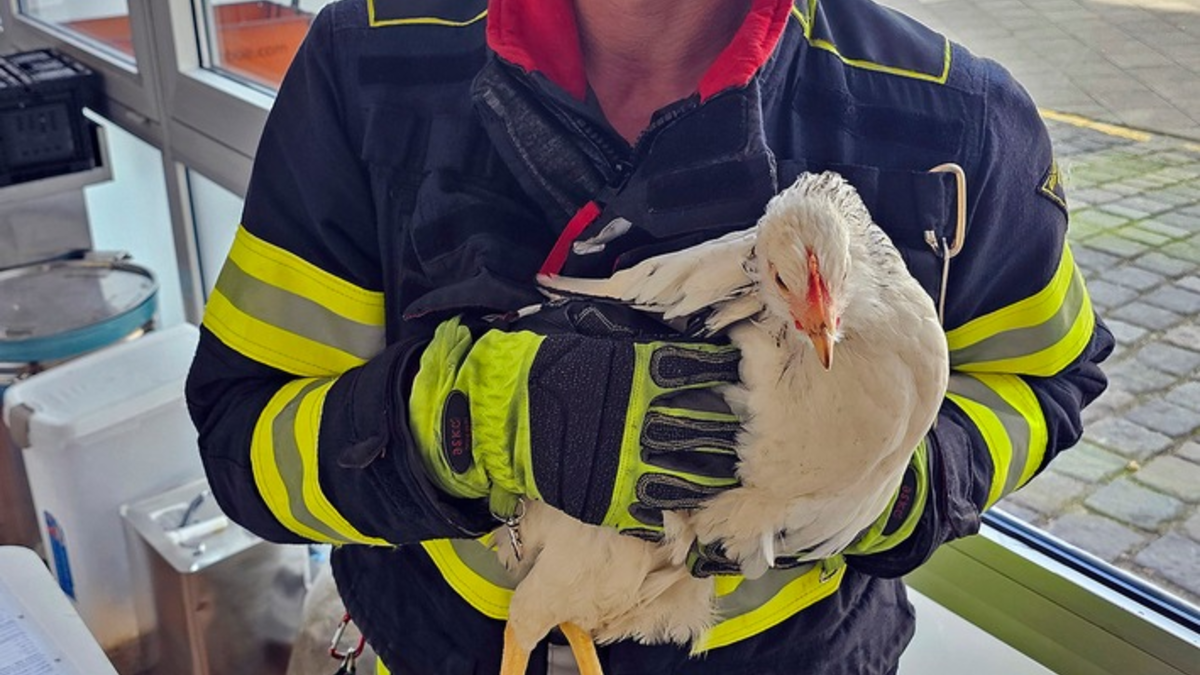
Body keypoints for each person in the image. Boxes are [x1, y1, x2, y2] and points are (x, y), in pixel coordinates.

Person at [185, 0, 1113, 673]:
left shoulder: (953, 119)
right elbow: (243, 438)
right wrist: (464, 420)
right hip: (429, 646)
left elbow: (1047, 378)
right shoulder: (368, 67)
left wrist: (889, 482)